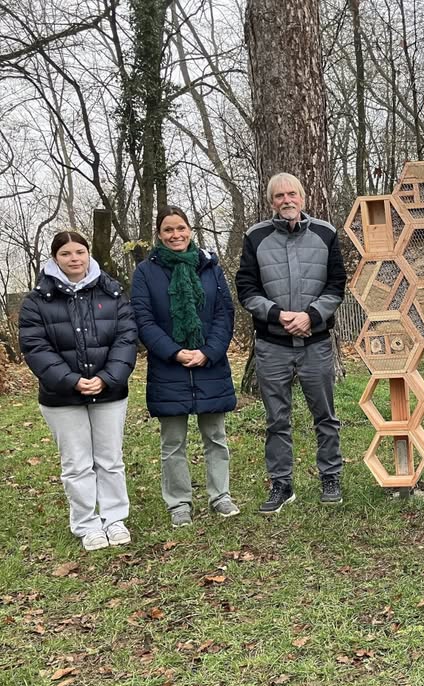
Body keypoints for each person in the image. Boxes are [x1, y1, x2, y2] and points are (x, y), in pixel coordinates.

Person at [19, 231, 138, 551]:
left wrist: (108, 376)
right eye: (67, 253)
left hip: (109, 392)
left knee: (110, 459)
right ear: (55, 258)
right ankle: (87, 523)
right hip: (62, 398)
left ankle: (114, 518)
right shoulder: (37, 300)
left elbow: (126, 338)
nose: (75, 259)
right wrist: (71, 380)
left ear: (89, 254)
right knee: (77, 463)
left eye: (80, 252)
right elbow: (35, 347)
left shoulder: (111, 292)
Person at [236, 172, 346, 513]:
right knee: (276, 419)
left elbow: (337, 284)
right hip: (272, 345)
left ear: (302, 197)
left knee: (325, 415)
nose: (287, 200)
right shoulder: (255, 237)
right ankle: (281, 484)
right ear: (272, 202)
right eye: (279, 196)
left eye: (292, 194)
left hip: (316, 343)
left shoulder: (326, 233)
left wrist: (310, 316)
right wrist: (278, 315)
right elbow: (246, 287)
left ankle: (330, 476)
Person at [131, 206, 239, 528]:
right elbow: (143, 319)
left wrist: (209, 351)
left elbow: (224, 312)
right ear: (159, 235)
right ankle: (178, 503)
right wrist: (175, 352)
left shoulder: (210, 267)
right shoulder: (145, 272)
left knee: (215, 436)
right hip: (169, 367)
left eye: (181, 228)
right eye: (168, 230)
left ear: (190, 230)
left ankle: (220, 496)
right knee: (172, 441)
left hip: (210, 364)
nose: (175, 235)